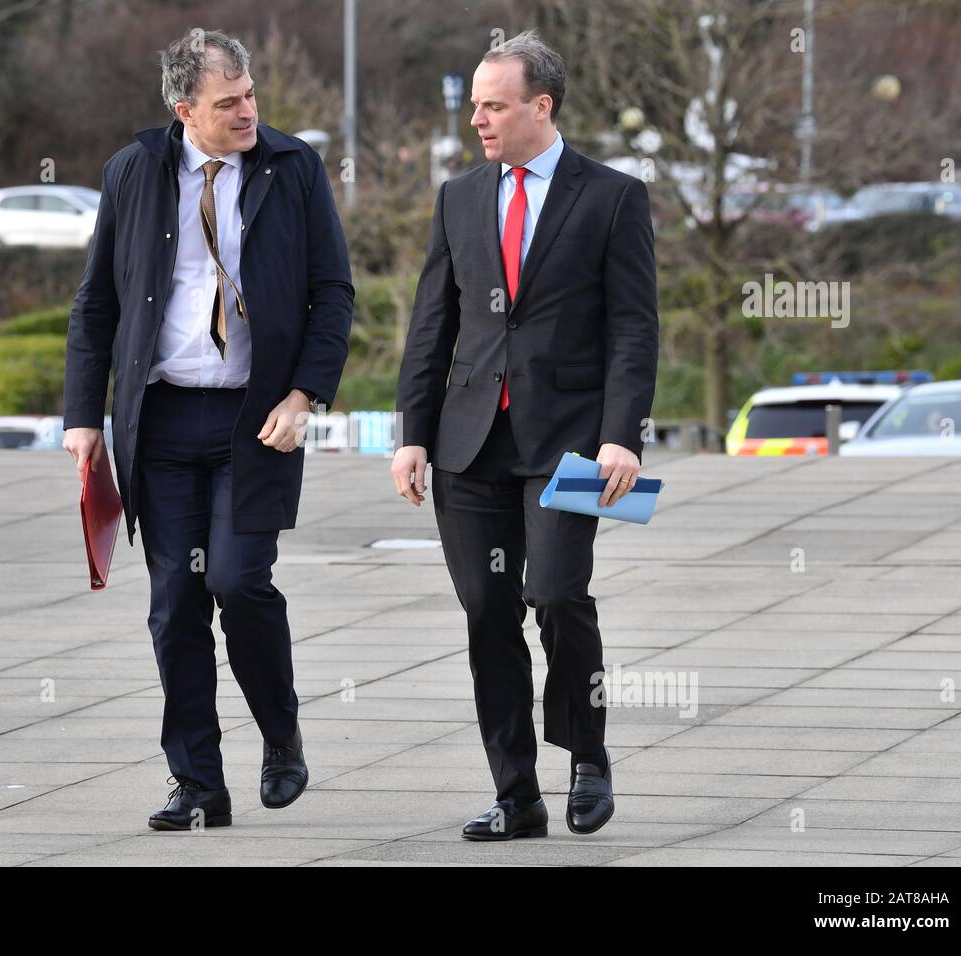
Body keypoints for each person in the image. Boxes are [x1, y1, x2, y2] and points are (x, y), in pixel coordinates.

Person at [63, 27, 353, 831]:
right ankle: (196, 782)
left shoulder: (291, 169)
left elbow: (333, 292)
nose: (247, 110)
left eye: (251, 93)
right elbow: (96, 305)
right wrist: (84, 416)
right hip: (158, 421)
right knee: (174, 604)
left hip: (254, 418)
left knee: (236, 580)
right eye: (228, 103)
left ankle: (281, 733)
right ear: (184, 108)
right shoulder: (134, 172)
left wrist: (304, 395)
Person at [391, 29, 658, 840]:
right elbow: (430, 324)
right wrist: (413, 434)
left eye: (494, 105)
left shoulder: (612, 197)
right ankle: (516, 796)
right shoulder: (459, 197)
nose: (478, 118)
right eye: (475, 104)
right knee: (485, 614)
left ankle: (587, 755)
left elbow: (634, 330)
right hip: (469, 444)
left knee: (556, 594)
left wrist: (623, 436)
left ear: (541, 106)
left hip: (573, 445)